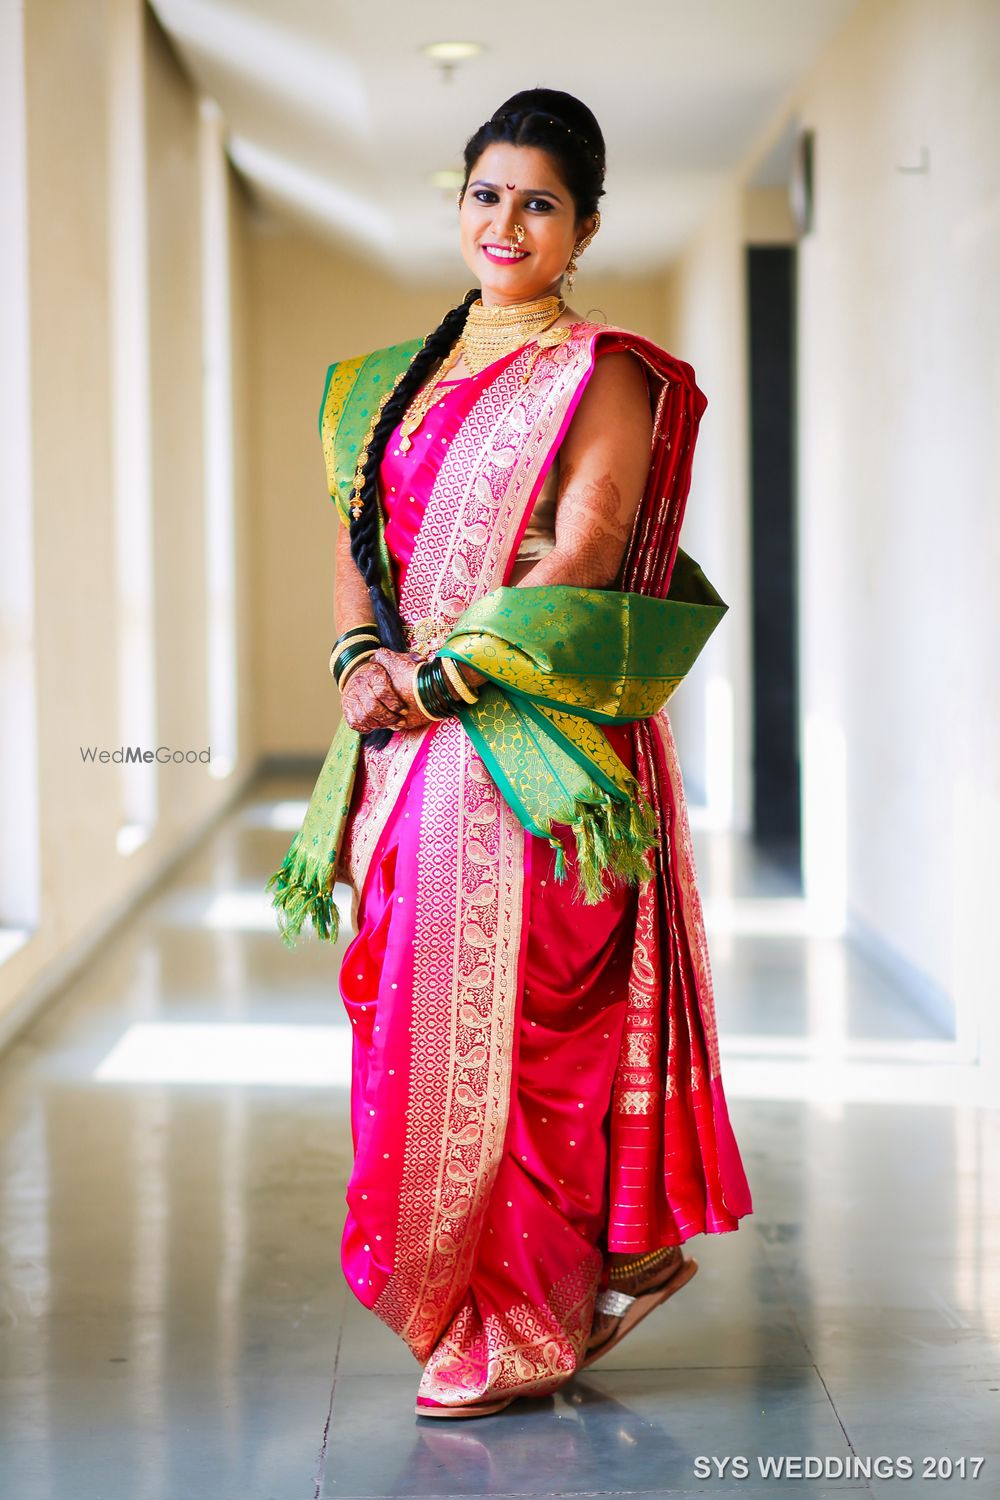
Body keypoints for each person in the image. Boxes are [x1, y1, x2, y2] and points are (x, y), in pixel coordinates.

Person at [267, 88, 753, 1419]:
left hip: (529, 758)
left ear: (582, 227)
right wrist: (360, 664)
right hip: (408, 759)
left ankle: (524, 1317)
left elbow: (586, 552)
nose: (507, 220)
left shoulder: (604, 374)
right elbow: (358, 552)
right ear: (460, 201)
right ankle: (607, 1258)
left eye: (539, 201)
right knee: (402, 1014)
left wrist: (437, 677)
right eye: (488, 193)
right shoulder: (393, 384)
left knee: (527, 1036)